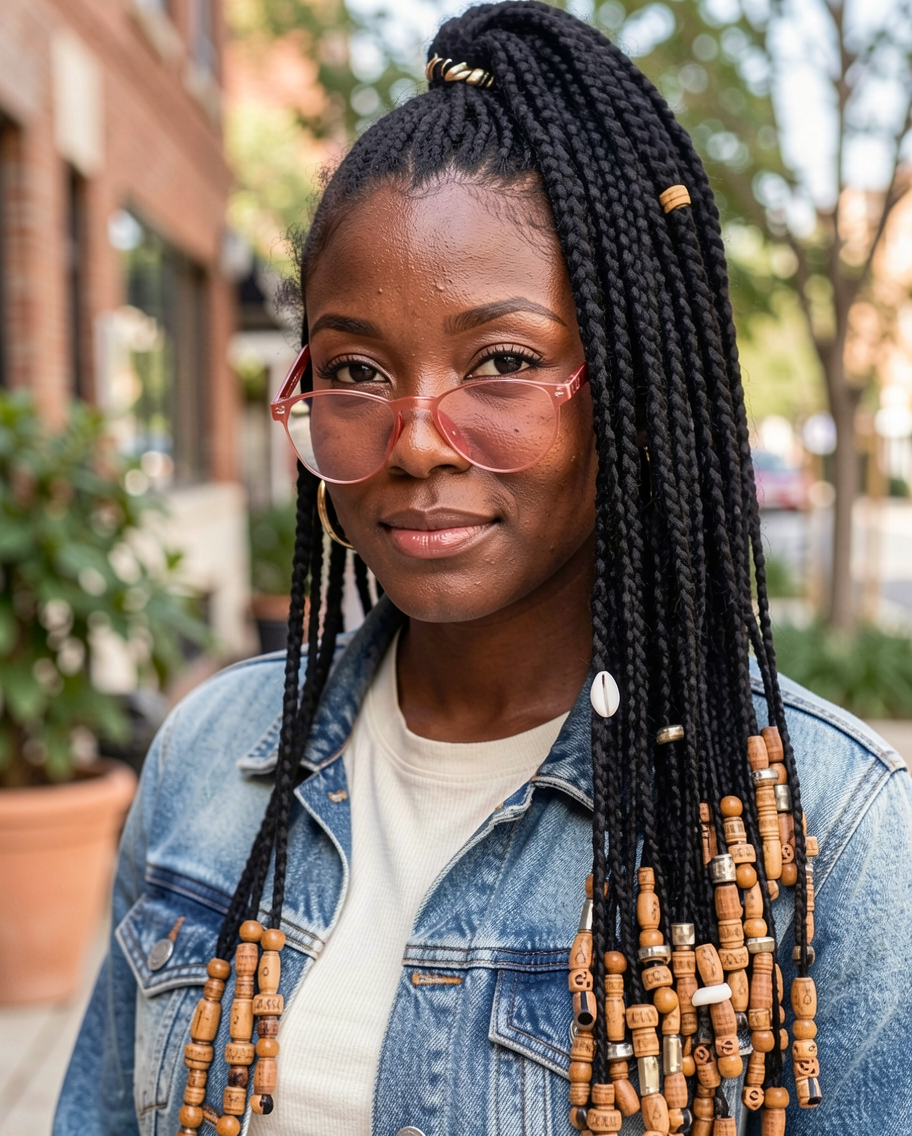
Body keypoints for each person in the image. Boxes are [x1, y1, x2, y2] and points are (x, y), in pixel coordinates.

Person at [54, 4, 911, 1135]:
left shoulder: (827, 834)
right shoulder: (207, 760)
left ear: (629, 388)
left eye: (502, 360)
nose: (414, 442)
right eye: (354, 369)